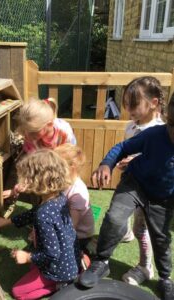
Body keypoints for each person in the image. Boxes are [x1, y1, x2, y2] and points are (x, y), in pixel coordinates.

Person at [78, 96, 174, 300]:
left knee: (161, 238)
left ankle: (165, 278)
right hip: (135, 184)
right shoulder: (155, 134)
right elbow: (122, 147)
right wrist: (106, 164)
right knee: (115, 218)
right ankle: (101, 262)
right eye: (172, 125)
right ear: (168, 117)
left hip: (162, 199)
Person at [0, 149, 80, 300]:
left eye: (26, 178)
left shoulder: (43, 214)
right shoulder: (58, 197)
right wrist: (8, 221)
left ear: (38, 181)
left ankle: (60, 285)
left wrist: (27, 257)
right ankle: (71, 273)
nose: (22, 183)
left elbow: (51, 254)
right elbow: (33, 212)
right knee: (34, 265)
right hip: (70, 258)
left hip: (60, 268)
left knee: (18, 292)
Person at [116, 76, 165, 285]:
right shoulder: (131, 126)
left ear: (154, 103)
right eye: (127, 104)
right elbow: (127, 148)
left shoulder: (162, 132)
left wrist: (135, 160)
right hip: (130, 182)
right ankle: (124, 233)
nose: (129, 109)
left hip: (148, 190)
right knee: (120, 213)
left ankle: (146, 267)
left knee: (142, 228)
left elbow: (159, 161)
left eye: (134, 104)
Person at [3, 97, 76, 200]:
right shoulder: (30, 138)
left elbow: (70, 159)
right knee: (41, 193)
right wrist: (23, 183)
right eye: (26, 131)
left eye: (33, 131)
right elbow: (34, 165)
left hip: (63, 165)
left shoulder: (64, 132)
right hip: (45, 165)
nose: (27, 135)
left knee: (62, 195)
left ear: (49, 125)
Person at [54, 143, 95, 261]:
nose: (53, 168)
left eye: (57, 166)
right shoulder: (63, 182)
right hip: (66, 223)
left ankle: (84, 257)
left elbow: (71, 227)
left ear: (71, 167)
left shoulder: (78, 193)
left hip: (80, 235)